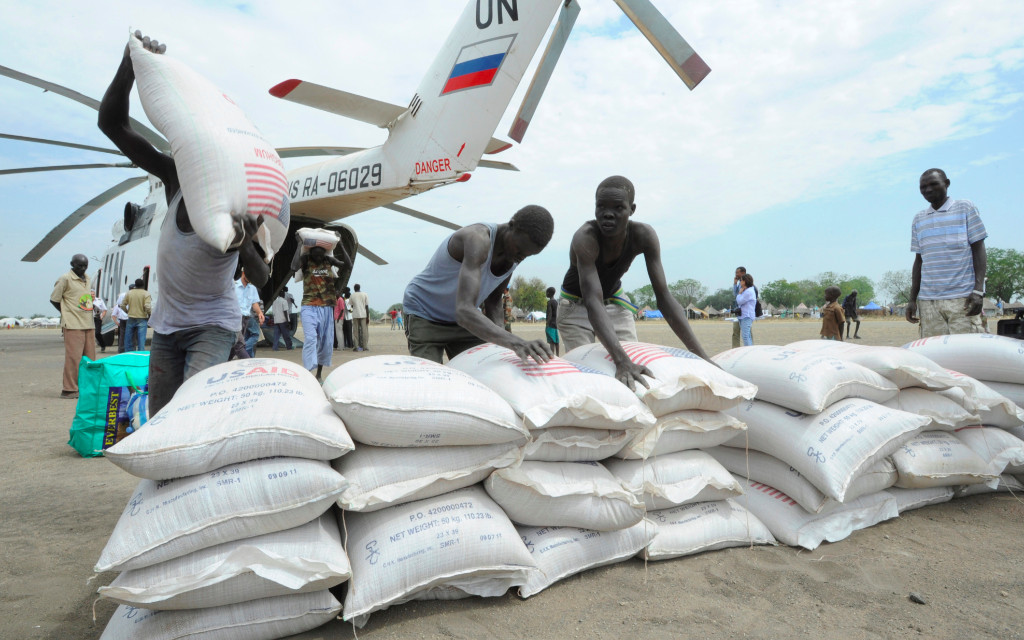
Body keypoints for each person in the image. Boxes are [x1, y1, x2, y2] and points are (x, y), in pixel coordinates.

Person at [99, 32, 270, 415]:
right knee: (161, 416)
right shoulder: (176, 178)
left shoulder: (239, 201)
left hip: (213, 325)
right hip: (167, 326)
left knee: (193, 411)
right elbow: (112, 125)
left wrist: (243, 242)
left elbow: (261, 277)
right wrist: (130, 65)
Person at [557, 176, 711, 389]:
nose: (607, 214)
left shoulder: (643, 236)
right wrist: (621, 361)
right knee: (590, 377)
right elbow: (593, 299)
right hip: (576, 307)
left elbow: (664, 297)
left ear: (632, 209)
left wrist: (701, 356)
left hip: (615, 302)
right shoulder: (585, 238)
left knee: (635, 374)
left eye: (618, 207)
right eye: (601, 206)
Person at [403, 206, 555, 364]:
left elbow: (494, 302)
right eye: (519, 249)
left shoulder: (513, 257)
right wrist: (516, 342)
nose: (520, 257)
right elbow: (464, 311)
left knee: (486, 370)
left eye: (527, 255)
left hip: (463, 323)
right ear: (511, 225)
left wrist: (503, 347)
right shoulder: (477, 239)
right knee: (432, 379)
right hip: (425, 314)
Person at [906, 168, 988, 337]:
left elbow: (978, 248)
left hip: (963, 299)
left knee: (968, 352)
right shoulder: (919, 219)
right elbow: (919, 261)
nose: (928, 189)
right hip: (929, 302)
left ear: (947, 184)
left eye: (934, 184)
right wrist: (912, 299)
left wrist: (978, 291)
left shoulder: (965, 208)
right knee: (935, 355)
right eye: (923, 187)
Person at [292, 244, 350, 379]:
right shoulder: (306, 260)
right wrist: (299, 245)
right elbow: (294, 267)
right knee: (311, 339)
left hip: (327, 307)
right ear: (310, 253)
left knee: (325, 342)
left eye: (321, 254)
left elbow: (348, 265)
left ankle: (318, 374)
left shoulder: (329, 261)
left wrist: (341, 243)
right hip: (309, 305)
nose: (318, 257)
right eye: (315, 254)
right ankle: (307, 373)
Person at [50, 254, 94, 399]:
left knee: (90, 359)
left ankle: (86, 387)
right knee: (73, 358)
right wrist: (67, 312)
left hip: (88, 322)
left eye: (85, 266)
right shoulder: (65, 279)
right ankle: (69, 389)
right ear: (72, 264)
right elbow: (54, 299)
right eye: (79, 266)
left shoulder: (87, 278)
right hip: (73, 324)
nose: (82, 268)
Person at [232, 269, 264, 358]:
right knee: (239, 344)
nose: (250, 279)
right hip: (236, 318)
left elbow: (254, 303)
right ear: (243, 273)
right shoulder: (234, 286)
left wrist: (259, 313)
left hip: (246, 319)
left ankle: (229, 360)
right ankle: (247, 359)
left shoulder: (252, 288)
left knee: (237, 344)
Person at [120, 278, 152, 351]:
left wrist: (127, 311)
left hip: (131, 318)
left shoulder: (129, 293)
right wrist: (150, 315)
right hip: (142, 318)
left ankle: (128, 355)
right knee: (141, 340)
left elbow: (122, 305)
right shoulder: (146, 293)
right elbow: (147, 306)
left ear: (135, 285)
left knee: (128, 340)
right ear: (143, 285)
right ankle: (140, 356)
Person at [731, 266, 751, 348]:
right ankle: (735, 349)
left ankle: (750, 348)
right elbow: (735, 295)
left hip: (745, 312)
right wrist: (735, 284)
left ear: (743, 273)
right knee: (736, 331)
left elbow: (742, 298)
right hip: (738, 311)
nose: (736, 274)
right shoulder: (739, 284)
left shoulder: (747, 284)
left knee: (747, 333)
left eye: (737, 272)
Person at [735, 273, 756, 346]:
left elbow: (739, 301)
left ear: (744, 281)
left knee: (745, 336)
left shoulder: (749, 292)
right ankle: (750, 350)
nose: (740, 282)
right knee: (747, 335)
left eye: (741, 280)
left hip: (746, 316)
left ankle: (749, 351)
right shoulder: (747, 291)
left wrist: (739, 294)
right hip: (744, 315)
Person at [350, 284, 370, 352]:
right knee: (364, 331)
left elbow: (351, 306)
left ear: (354, 288)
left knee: (355, 331)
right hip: (363, 314)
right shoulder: (364, 294)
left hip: (355, 314)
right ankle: (365, 347)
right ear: (359, 288)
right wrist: (367, 317)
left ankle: (356, 346)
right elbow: (367, 307)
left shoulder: (352, 295)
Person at [112, 285, 131, 353]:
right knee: (130, 335)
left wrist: (117, 322)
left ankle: (121, 349)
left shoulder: (122, 296)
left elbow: (114, 314)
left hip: (122, 319)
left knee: (122, 335)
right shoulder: (132, 297)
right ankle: (129, 349)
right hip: (129, 319)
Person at [545, 286, 560, 356]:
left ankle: (552, 356)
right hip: (556, 324)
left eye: (546, 292)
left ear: (549, 293)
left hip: (550, 324)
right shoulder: (556, 302)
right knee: (557, 342)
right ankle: (558, 355)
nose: (546, 294)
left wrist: (547, 324)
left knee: (552, 342)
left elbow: (549, 314)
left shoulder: (550, 302)